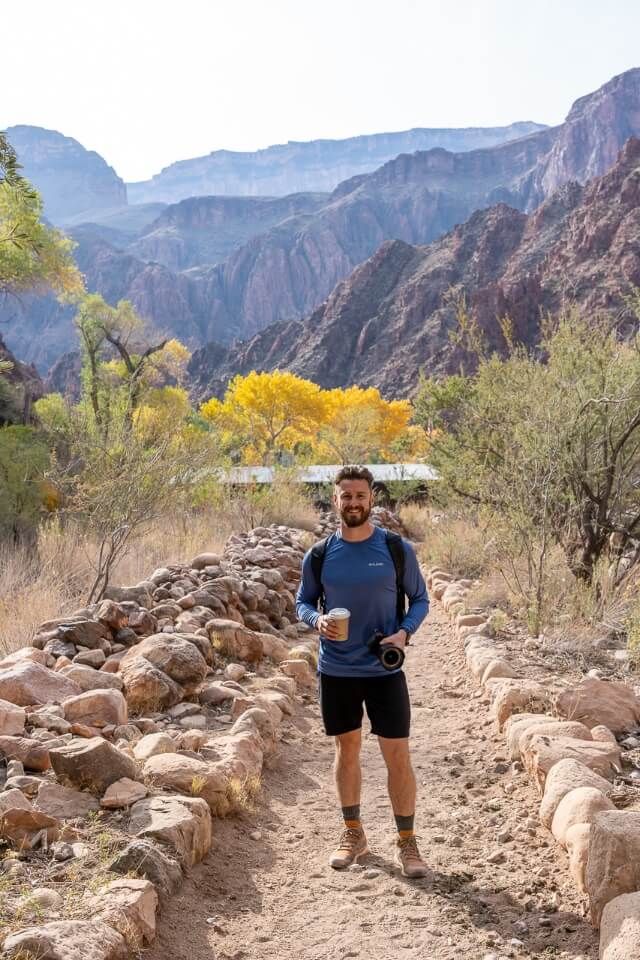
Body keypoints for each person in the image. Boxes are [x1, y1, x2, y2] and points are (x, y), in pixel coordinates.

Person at [296, 465, 430, 877]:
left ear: (372, 498)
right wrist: (315, 621)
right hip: (336, 671)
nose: (353, 502)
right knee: (346, 752)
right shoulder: (318, 556)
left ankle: (407, 842)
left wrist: (403, 634)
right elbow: (302, 602)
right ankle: (353, 832)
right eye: (345, 496)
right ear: (334, 501)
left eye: (360, 495)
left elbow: (421, 600)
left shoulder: (395, 549)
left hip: (385, 672)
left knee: (398, 757)